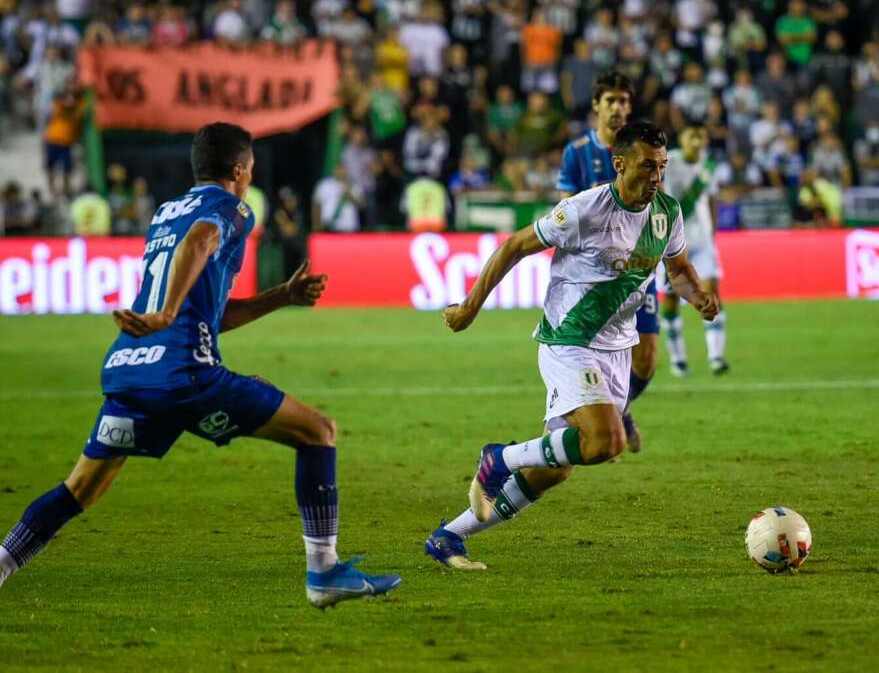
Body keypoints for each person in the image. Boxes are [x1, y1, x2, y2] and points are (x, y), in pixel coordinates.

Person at [0, 122, 400, 608]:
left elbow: (210, 312)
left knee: (80, 487)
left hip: (133, 369)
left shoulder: (165, 212)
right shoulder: (230, 209)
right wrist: (167, 315)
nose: (251, 178)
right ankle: (324, 573)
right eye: (250, 170)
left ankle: (3, 563)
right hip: (187, 374)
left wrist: (282, 297)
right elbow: (202, 241)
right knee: (318, 431)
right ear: (237, 171)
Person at [424, 121, 718, 570]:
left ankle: (450, 536)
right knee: (606, 442)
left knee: (553, 468)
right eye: (646, 166)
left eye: (662, 167)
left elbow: (676, 267)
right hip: (571, 340)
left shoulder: (667, 212)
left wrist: (698, 296)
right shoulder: (585, 210)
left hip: (618, 348)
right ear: (619, 164)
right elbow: (515, 246)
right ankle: (498, 457)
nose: (656, 177)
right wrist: (469, 306)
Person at [555, 71, 654, 454]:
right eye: (611, 101)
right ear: (596, 105)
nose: (619, 109)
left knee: (645, 360)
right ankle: (605, 418)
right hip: (593, 275)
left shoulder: (642, 151)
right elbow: (564, 211)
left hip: (637, 269)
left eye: (625, 102)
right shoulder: (577, 152)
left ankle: (620, 408)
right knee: (594, 352)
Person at [660, 120, 728, 377]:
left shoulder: (709, 167)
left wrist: (712, 232)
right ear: (683, 139)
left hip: (702, 242)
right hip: (672, 244)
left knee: (712, 294)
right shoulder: (669, 162)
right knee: (670, 301)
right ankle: (678, 359)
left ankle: (716, 357)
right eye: (692, 137)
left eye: (701, 137)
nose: (697, 142)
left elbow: (711, 198)